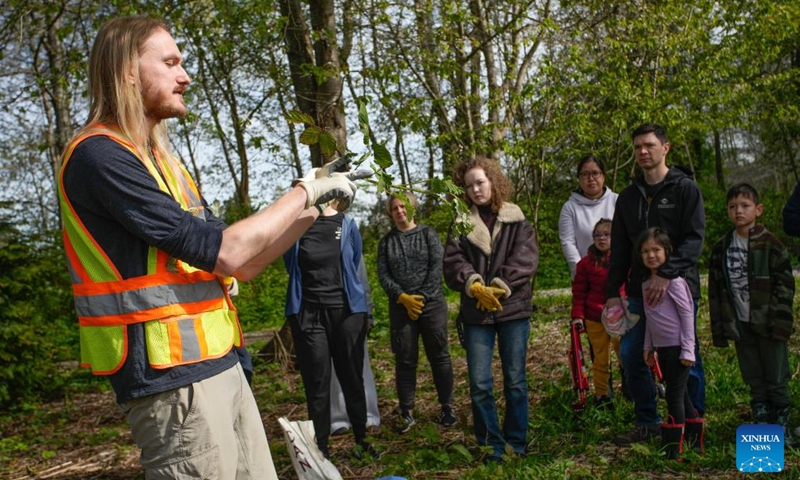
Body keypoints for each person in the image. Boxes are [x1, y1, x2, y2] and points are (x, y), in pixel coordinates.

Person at [57, 17, 366, 479]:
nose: (184, 75)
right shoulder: (99, 156)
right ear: (126, 70)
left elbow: (246, 264)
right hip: (171, 383)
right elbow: (227, 251)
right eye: (170, 62)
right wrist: (302, 190)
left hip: (220, 363)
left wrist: (316, 208)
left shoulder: (162, 162)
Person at [606, 123, 706, 447]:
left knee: (686, 360)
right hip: (639, 293)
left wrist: (668, 274)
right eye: (637, 147)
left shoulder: (685, 188)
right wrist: (612, 293)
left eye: (649, 145)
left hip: (679, 291)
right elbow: (620, 249)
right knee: (634, 355)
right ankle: (648, 422)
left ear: (666, 148)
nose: (643, 152)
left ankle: (693, 425)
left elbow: (695, 240)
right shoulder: (627, 198)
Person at [443, 155, 538, 464]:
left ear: (493, 182)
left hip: (512, 309)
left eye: (480, 182)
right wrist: (473, 284)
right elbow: (453, 261)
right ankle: (491, 447)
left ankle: (517, 443)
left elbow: (526, 258)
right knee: (480, 383)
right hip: (476, 314)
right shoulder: (459, 222)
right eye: (469, 185)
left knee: (515, 380)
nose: (475, 189)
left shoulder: (517, 218)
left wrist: (499, 285)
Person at [283, 199, 377, 460]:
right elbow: (290, 264)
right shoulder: (298, 227)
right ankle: (321, 448)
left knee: (352, 379)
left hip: (346, 313)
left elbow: (355, 261)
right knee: (317, 383)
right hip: (309, 316)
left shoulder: (347, 224)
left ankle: (361, 440)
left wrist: (363, 310)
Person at [710, 183, 795, 444]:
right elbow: (716, 290)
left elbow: (785, 287)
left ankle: (781, 421)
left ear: (758, 209)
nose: (739, 211)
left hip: (769, 323)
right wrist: (721, 326)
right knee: (752, 372)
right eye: (733, 207)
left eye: (745, 206)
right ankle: (761, 419)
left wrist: (780, 322)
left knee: (776, 372)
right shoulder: (721, 247)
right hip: (739, 322)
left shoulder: (771, 244)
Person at [377, 192, 456, 433]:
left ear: (413, 208)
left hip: (431, 305)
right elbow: (384, 274)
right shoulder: (387, 242)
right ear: (390, 213)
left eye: (404, 206)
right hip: (401, 308)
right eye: (395, 208)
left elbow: (437, 267)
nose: (400, 211)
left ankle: (447, 407)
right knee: (405, 359)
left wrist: (419, 299)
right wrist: (401, 297)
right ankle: (407, 412)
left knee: (439, 356)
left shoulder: (428, 234)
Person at [638, 228, 699, 460]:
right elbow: (649, 317)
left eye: (656, 250)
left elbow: (687, 314)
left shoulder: (674, 281)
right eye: (645, 251)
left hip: (678, 347)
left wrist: (688, 349)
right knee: (682, 395)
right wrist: (648, 346)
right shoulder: (646, 284)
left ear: (667, 252)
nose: (651, 255)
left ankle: (674, 448)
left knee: (674, 396)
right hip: (662, 348)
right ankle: (694, 438)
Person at [570, 218, 621, 408]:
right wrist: (577, 316)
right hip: (594, 316)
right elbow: (579, 292)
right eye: (598, 235)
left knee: (624, 352)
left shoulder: (622, 259)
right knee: (601, 357)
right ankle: (602, 394)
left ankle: (633, 388)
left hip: (619, 314)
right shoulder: (585, 264)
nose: (602, 238)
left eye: (607, 234)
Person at [559, 156, 619, 280]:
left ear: (603, 176)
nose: (590, 179)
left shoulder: (617, 201)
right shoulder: (569, 207)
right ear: (579, 178)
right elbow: (568, 242)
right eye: (585, 174)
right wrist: (581, 270)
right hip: (585, 276)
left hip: (617, 271)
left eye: (595, 173)